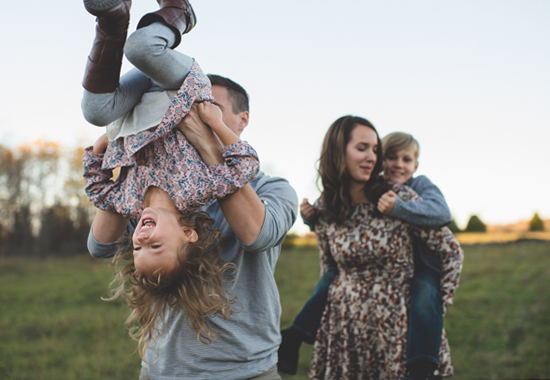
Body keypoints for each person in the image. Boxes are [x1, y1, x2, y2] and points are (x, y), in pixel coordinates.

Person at [85, 56, 298, 380]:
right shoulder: (152, 200)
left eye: (206, 106)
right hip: (161, 371)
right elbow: (100, 245)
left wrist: (206, 140)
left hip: (247, 371)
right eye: (184, 105)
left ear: (242, 121)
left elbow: (258, 236)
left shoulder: (273, 188)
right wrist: (129, 152)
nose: (186, 112)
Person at [79, 0, 261, 360]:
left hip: (138, 104)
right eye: (155, 246)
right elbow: (245, 167)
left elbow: (97, 188)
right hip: (183, 92)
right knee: (143, 48)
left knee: (94, 110)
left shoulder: (130, 203)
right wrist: (217, 125)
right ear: (188, 235)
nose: (141, 237)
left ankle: (113, 21)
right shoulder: (197, 192)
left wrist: (99, 147)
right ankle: (180, 10)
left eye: (138, 247)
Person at [278, 131, 454, 379]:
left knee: (426, 296)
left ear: (416, 164)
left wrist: (399, 208)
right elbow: (336, 233)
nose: (398, 165)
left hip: (420, 264)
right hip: (353, 311)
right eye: (391, 157)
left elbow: (443, 215)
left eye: (406, 160)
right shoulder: (362, 191)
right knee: (329, 277)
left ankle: (422, 365)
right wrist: (311, 220)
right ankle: (296, 334)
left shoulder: (416, 187)